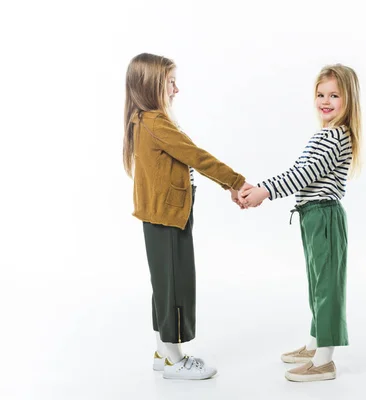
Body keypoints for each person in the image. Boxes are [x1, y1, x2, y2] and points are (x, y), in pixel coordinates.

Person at [122, 53, 251, 380]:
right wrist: (235, 182)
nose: (177, 89)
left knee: (164, 284)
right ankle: (175, 361)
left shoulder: (141, 119)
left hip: (160, 215)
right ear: (152, 86)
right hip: (167, 217)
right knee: (176, 285)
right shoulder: (156, 123)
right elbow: (196, 156)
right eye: (170, 83)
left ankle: (162, 351)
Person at [241, 64, 362, 382]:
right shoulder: (323, 135)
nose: (326, 100)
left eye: (334, 95)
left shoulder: (336, 136)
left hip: (324, 215)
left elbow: (303, 175)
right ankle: (314, 343)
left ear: (349, 99)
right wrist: (259, 188)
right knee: (316, 284)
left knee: (327, 287)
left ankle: (324, 361)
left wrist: (265, 190)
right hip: (311, 216)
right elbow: (300, 169)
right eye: (321, 94)